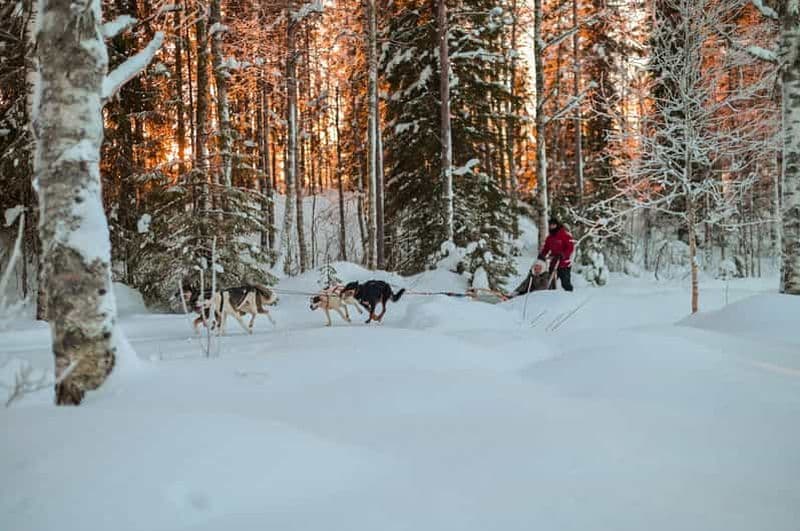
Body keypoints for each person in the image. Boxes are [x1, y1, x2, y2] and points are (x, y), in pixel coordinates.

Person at [538, 216, 574, 291]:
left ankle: (570, 296)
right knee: (551, 282)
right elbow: (546, 248)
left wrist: (563, 254)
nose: (552, 226)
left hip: (564, 264)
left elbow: (570, 247)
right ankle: (552, 298)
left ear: (557, 225)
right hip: (554, 263)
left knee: (565, 283)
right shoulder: (550, 237)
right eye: (550, 225)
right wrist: (542, 255)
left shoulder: (564, 234)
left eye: (553, 225)